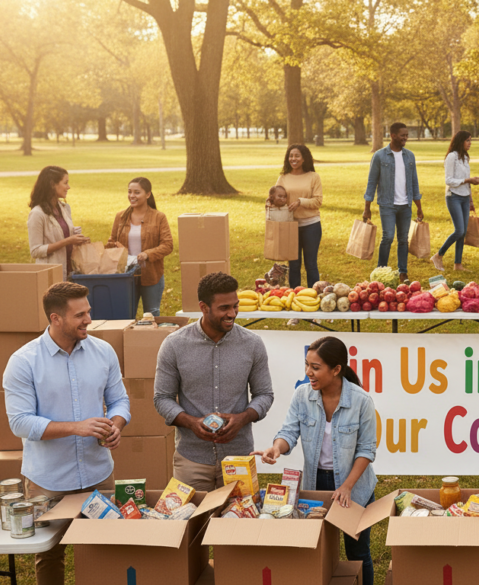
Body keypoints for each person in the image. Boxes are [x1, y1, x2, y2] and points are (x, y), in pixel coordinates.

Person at [3, 282, 130, 585]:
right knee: (49, 556)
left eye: (88, 311)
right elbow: (20, 423)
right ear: (55, 318)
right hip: (49, 481)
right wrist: (77, 427)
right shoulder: (23, 362)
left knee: (107, 550)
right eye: (79, 315)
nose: (88, 319)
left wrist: (116, 424)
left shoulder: (104, 352)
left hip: (98, 474)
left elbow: (120, 400)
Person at [252, 336, 377, 585]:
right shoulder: (302, 396)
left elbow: (366, 451)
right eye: (307, 364)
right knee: (317, 549)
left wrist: (346, 487)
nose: (309, 372)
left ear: (336, 369)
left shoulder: (361, 401)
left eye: (316, 367)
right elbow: (288, 433)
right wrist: (276, 448)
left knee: (358, 553)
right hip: (315, 484)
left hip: (354, 486)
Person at [153, 272, 275, 492]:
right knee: (191, 525)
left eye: (235, 306)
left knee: (238, 524)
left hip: (239, 457)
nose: (232, 314)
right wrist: (191, 423)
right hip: (191, 458)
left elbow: (264, 394)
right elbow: (162, 398)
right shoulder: (174, 345)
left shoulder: (252, 344)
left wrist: (242, 418)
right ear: (203, 307)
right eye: (224, 308)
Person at [363, 123, 424, 281]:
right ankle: (380, 271)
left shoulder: (409, 156)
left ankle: (403, 272)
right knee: (388, 237)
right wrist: (367, 207)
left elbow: (414, 182)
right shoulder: (379, 156)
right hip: (387, 204)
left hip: (406, 205)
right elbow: (371, 183)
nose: (405, 138)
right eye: (402, 135)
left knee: (403, 239)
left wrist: (419, 206)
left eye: (406, 135)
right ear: (393, 135)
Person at [106, 177, 174, 317]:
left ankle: (151, 339)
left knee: (152, 314)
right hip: (126, 274)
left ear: (148, 194)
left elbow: (167, 245)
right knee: (125, 313)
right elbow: (112, 242)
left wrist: (147, 254)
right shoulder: (121, 217)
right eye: (130, 192)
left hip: (151, 274)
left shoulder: (158, 217)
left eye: (137, 192)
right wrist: (112, 245)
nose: (132, 196)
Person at [27, 165, 90, 279]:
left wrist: (77, 239)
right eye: (65, 183)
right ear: (52, 184)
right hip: (49, 275)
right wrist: (67, 241)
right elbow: (35, 251)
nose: (68, 187)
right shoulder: (37, 214)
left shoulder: (65, 208)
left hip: (70, 272)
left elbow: (64, 235)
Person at [432, 130, 479, 272]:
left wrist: (472, 183)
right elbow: (449, 180)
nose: (470, 143)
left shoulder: (465, 157)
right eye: (468, 140)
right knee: (459, 230)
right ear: (460, 142)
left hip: (465, 196)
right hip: (453, 196)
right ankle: (438, 255)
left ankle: (458, 265)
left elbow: (464, 178)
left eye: (470, 140)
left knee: (463, 231)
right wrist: (467, 180)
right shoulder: (451, 157)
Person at [276, 144, 323, 288]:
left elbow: (318, 201)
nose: (293, 159)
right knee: (294, 265)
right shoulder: (283, 178)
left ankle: (313, 295)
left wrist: (300, 202)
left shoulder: (313, 177)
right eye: (291, 156)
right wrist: (272, 201)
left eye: (297, 156)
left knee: (311, 264)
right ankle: (295, 295)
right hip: (291, 226)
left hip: (311, 226)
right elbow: (275, 196)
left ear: (304, 158)